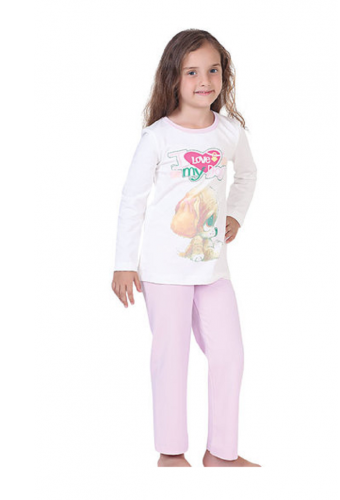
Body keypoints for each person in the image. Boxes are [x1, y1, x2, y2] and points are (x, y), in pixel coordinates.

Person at [111, 29, 260, 467]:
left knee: (230, 355)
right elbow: (132, 200)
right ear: (173, 77)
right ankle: (171, 453)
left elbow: (248, 175)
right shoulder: (158, 137)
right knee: (171, 359)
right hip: (164, 271)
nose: (204, 80)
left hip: (213, 270)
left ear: (224, 75)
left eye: (213, 70)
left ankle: (222, 453)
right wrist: (124, 263)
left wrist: (235, 214)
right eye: (192, 72)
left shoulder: (229, 132)